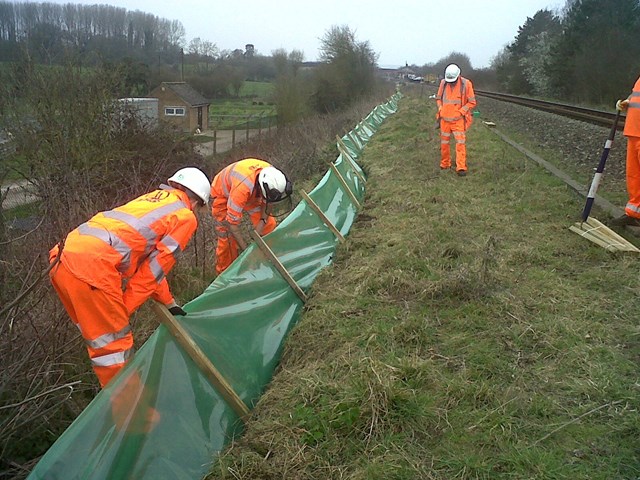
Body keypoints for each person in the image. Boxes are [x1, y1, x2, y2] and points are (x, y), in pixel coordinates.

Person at [49, 167, 211, 388]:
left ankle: (115, 406)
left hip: (61, 258)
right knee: (114, 350)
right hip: (92, 270)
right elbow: (153, 272)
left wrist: (168, 302)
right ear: (197, 202)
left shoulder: (154, 199)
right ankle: (134, 417)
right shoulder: (185, 216)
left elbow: (148, 265)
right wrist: (124, 309)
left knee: (99, 341)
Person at [210, 158, 292, 274]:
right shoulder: (242, 189)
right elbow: (232, 224)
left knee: (269, 224)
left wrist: (262, 223)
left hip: (254, 191)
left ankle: (272, 257)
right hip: (223, 195)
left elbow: (267, 203)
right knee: (227, 238)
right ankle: (225, 274)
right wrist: (247, 252)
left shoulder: (272, 176)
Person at [436, 63, 477, 176]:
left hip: (458, 120)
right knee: (444, 143)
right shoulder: (443, 83)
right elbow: (438, 99)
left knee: (460, 143)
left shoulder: (466, 84)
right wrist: (441, 109)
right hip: (444, 120)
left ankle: (461, 167)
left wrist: (461, 112)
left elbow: (472, 102)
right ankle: (445, 163)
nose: (451, 82)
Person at [612, 77, 640, 227]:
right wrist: (627, 102)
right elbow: (635, 97)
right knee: (634, 176)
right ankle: (634, 214)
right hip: (634, 133)